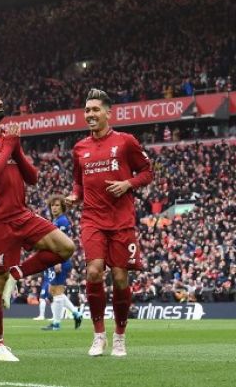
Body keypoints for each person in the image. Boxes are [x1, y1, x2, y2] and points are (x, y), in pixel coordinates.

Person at [0, 80, 75, 361]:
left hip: (21, 213)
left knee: (66, 247)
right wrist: (8, 147)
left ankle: (17, 274)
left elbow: (32, 177)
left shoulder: (6, 138)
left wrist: (16, 148)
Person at [66, 88, 153, 357]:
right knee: (93, 271)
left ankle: (120, 337)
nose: (90, 114)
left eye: (95, 110)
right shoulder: (79, 148)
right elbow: (79, 182)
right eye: (87, 110)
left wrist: (128, 183)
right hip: (92, 218)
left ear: (108, 112)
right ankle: (98, 335)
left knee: (119, 276)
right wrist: (75, 196)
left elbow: (147, 172)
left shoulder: (126, 142)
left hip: (121, 220)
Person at [40, 195, 83, 331]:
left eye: (57, 205)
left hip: (60, 259)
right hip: (56, 259)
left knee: (57, 291)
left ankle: (56, 324)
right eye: (52, 205)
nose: (54, 207)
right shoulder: (56, 220)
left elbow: (61, 242)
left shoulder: (62, 221)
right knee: (53, 290)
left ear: (63, 207)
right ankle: (76, 314)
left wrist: (58, 261)